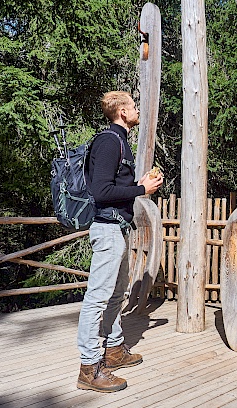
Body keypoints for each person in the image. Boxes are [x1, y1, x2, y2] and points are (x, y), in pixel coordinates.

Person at [76, 91, 163, 393]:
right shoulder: (109, 141)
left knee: (116, 294)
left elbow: (115, 186)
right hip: (107, 230)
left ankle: (113, 351)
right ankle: (89, 368)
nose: (138, 110)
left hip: (118, 229)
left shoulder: (119, 141)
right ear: (123, 112)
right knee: (97, 299)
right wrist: (141, 188)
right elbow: (101, 192)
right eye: (134, 107)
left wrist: (138, 185)